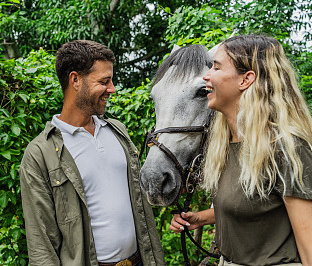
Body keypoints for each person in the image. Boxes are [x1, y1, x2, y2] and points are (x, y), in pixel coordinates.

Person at [19, 40, 165, 266]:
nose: (112, 89)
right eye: (104, 81)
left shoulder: (117, 131)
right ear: (75, 80)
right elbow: (41, 243)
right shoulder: (40, 153)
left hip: (138, 260)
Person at [169, 35, 312, 265]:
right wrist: (201, 217)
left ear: (246, 79)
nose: (206, 75)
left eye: (216, 67)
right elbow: (258, 207)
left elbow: (309, 246)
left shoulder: (286, 148)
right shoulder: (224, 142)